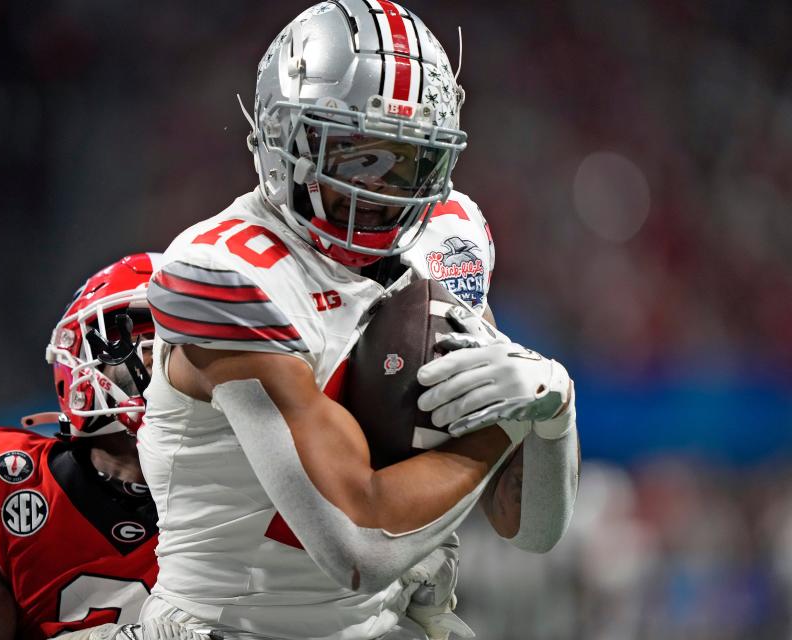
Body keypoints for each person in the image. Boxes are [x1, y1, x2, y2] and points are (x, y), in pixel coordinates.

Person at [137, 2, 581, 639]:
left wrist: (555, 415)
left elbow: (533, 531)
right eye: (355, 155)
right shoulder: (227, 270)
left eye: (408, 161)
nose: (383, 193)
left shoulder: (448, 240)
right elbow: (358, 547)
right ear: (280, 136)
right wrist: (504, 430)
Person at [0, 254, 169, 640]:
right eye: (130, 340)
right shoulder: (4, 478)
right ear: (79, 361)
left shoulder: (253, 489)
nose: (157, 356)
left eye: (179, 343)